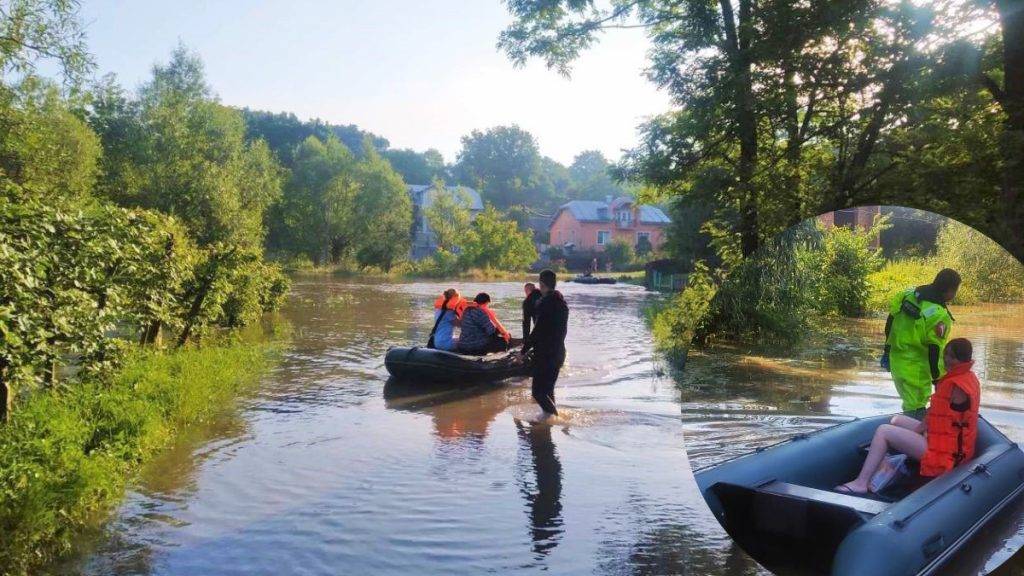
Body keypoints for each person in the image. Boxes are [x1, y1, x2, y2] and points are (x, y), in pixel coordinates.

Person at [836, 338, 980, 494]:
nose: (946, 359)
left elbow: (936, 418)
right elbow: (936, 416)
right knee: (896, 420)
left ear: (963, 359)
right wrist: (918, 433)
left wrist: (917, 434)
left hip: (946, 456)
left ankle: (861, 483)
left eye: (952, 356)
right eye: (945, 354)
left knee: (884, 431)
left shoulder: (956, 386)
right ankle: (886, 465)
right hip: (944, 441)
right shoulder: (968, 378)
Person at [882, 268, 960, 413]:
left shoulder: (907, 295)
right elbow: (934, 350)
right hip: (916, 369)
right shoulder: (939, 315)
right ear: (950, 291)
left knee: (909, 403)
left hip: (896, 361)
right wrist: (937, 379)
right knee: (916, 407)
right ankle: (911, 431)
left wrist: (886, 350)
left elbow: (890, 321)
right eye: (955, 291)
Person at [520, 269, 569, 420]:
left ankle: (554, 418)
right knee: (548, 391)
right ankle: (550, 421)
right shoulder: (562, 303)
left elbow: (538, 331)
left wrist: (523, 351)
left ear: (541, 284)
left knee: (537, 392)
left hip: (546, 354)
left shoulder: (544, 304)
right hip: (559, 352)